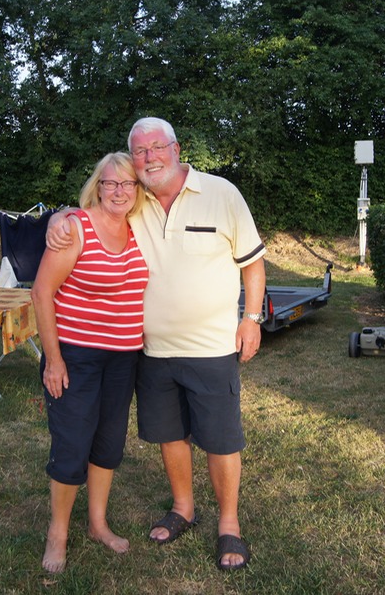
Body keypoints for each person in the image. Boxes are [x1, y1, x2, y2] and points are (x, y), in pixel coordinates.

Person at [47, 117, 266, 571]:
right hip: (151, 351)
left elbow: (253, 263)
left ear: (176, 148)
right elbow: (94, 212)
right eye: (140, 151)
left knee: (222, 440)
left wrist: (251, 318)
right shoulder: (138, 202)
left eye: (156, 147)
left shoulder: (221, 194)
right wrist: (60, 216)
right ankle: (183, 508)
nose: (149, 157)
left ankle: (230, 525)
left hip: (211, 346)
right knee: (170, 436)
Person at [31, 151, 149, 573]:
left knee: (108, 444)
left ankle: (98, 523)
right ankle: (57, 533)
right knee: (72, 446)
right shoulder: (74, 229)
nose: (119, 191)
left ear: (138, 190)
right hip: (75, 356)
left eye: (128, 184)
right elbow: (42, 293)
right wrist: (54, 360)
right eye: (110, 183)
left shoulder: (140, 228)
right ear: (97, 186)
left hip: (123, 356)